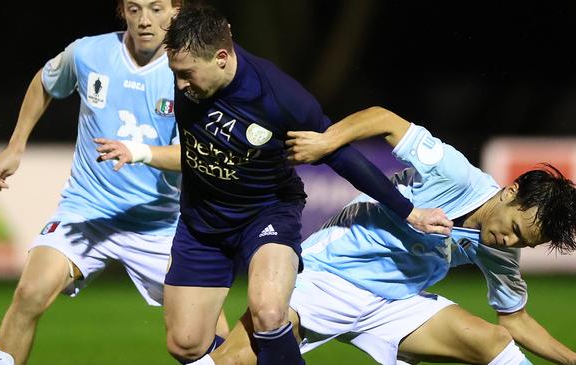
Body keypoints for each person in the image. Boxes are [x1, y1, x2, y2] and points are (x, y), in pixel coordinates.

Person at [155, 5, 453, 365]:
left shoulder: (278, 97)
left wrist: (408, 212)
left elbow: (340, 155)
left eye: (187, 74)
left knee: (268, 311)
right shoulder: (188, 67)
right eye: (176, 73)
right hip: (201, 220)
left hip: (266, 214)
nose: (181, 84)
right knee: (185, 344)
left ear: (221, 57)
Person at [191, 106, 576, 365]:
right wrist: (328, 140)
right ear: (510, 193)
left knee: (493, 343)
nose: (511, 243)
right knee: (235, 360)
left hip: (394, 305)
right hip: (328, 278)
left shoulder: (501, 252)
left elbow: (516, 321)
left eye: (524, 243)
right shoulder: (454, 173)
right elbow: (382, 118)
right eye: (514, 230)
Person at [0, 1, 228, 365]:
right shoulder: (88, 53)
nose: (145, 20)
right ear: (123, 12)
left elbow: (199, 155)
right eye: (134, 9)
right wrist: (15, 144)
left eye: (157, 9)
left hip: (159, 223)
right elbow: (45, 81)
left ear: (176, 13)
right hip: (87, 210)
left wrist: (140, 152)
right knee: (30, 292)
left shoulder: (189, 73)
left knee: (206, 333)